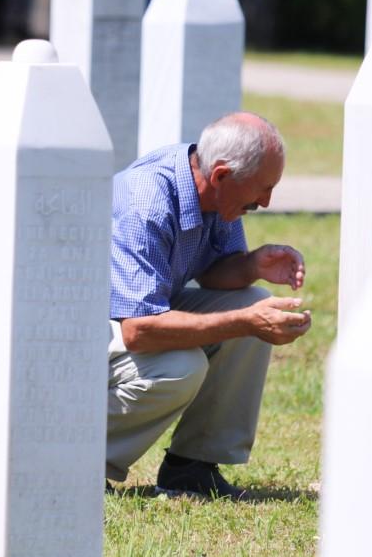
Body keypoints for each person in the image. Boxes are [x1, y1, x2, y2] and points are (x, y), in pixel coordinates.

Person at [107, 112, 312, 498]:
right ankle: (78, 460)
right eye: (262, 189)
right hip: (89, 326)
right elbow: (138, 330)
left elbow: (215, 273)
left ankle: (192, 468)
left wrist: (252, 265)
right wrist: (244, 323)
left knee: (254, 301)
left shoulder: (212, 190)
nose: (266, 202)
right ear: (220, 175)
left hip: (134, 316)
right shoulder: (146, 204)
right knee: (180, 367)